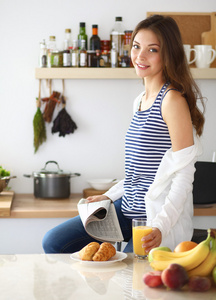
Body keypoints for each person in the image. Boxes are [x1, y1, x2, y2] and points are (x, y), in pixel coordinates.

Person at [42, 15, 205, 254]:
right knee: (54, 242)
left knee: (129, 279)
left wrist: (160, 226)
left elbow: (183, 176)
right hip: (126, 210)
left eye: (152, 50)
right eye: (137, 46)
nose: (140, 56)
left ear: (168, 54)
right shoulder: (140, 101)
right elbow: (138, 173)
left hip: (155, 218)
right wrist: (108, 196)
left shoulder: (171, 100)